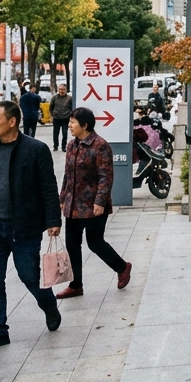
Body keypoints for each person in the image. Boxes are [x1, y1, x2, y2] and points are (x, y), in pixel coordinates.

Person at [0, 101, 63, 352]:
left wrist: (53, 220)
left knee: (29, 276)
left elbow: (48, 187)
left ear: (12, 121)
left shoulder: (36, 149)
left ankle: (49, 305)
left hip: (24, 228)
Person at [56, 107, 130, 299]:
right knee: (72, 245)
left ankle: (122, 267)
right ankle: (76, 284)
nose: (69, 125)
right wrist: (62, 198)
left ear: (85, 125)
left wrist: (100, 201)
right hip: (73, 204)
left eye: (73, 122)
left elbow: (106, 176)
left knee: (95, 242)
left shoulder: (100, 145)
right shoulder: (72, 145)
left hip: (94, 205)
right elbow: (67, 175)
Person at [49, 85, 73, 151]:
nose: (61, 91)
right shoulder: (54, 98)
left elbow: (72, 108)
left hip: (65, 118)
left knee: (64, 133)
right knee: (55, 133)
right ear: (58, 90)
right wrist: (52, 115)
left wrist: (70, 116)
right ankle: (55, 146)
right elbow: (51, 107)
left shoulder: (69, 98)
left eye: (63, 89)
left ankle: (64, 146)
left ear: (66, 90)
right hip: (56, 118)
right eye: (60, 89)